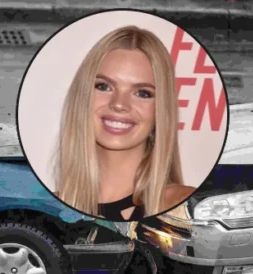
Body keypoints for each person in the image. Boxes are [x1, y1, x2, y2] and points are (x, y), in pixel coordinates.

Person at [55, 25, 195, 221]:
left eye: (142, 93)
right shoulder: (47, 207)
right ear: (83, 97)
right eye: (104, 86)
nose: (119, 104)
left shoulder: (186, 205)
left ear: (160, 111)